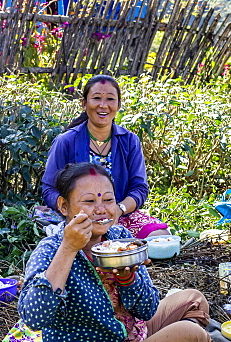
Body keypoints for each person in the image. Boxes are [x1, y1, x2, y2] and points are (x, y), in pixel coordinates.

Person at [20, 161, 227, 342]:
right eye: (89, 201)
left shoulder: (119, 237)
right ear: (63, 206)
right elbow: (34, 318)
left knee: (193, 299)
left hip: (132, 333)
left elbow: (148, 309)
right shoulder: (50, 250)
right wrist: (68, 249)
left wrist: (128, 279)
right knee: (191, 336)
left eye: (108, 200)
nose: (101, 209)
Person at [41, 75, 169, 239]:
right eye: (96, 98)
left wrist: (118, 209)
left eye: (110, 99)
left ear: (118, 105)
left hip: (119, 215)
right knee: (81, 241)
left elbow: (139, 188)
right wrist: (74, 210)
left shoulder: (129, 141)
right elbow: (48, 189)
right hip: (79, 217)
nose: (103, 105)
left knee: (161, 237)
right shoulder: (66, 141)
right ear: (84, 103)